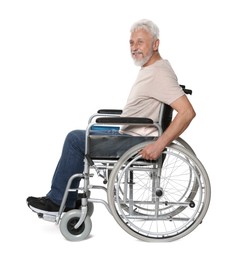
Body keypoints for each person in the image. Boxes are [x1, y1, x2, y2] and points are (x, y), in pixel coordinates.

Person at [27, 19, 196, 217]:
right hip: (130, 133)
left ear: (155, 44)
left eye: (140, 42)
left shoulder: (159, 73)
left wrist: (159, 145)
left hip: (136, 141)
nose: (134, 48)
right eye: (131, 43)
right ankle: (68, 199)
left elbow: (187, 113)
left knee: (75, 139)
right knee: (88, 131)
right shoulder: (152, 69)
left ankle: (58, 201)